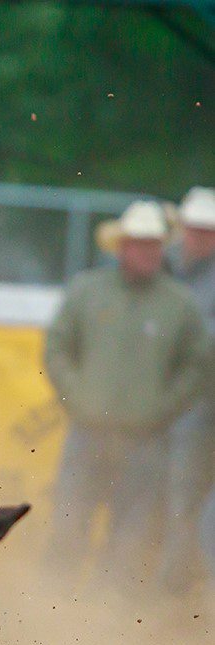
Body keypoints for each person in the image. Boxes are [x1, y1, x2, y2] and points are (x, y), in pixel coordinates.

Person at [44, 201, 207, 589]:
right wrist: (76, 397)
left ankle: (112, 622)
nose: (148, 252)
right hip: (88, 435)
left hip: (145, 443)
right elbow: (57, 349)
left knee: (130, 542)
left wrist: (161, 410)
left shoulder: (179, 304)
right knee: (69, 527)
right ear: (121, 247)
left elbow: (198, 366)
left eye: (154, 244)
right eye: (139, 244)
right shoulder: (87, 292)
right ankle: (54, 607)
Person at [163, 187, 215, 591]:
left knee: (184, 496)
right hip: (170, 406)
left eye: (206, 231)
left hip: (197, 409)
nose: (198, 238)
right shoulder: (171, 270)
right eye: (194, 230)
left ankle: (176, 585)